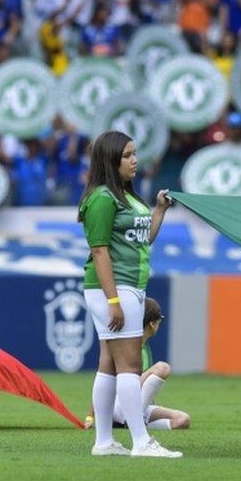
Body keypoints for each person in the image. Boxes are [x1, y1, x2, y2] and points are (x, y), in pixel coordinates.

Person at [79, 131, 181, 458]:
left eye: (135, 153)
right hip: (115, 287)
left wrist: (160, 212)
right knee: (130, 364)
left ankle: (104, 441)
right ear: (110, 160)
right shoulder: (102, 198)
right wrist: (112, 300)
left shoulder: (128, 196)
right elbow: (99, 251)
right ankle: (141, 441)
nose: (135, 160)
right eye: (127, 155)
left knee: (109, 364)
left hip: (128, 286)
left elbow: (141, 240)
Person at [85, 297, 192, 431]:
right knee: (163, 368)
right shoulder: (125, 347)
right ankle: (134, 421)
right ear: (152, 324)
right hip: (117, 405)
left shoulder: (144, 347)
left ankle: (131, 423)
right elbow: (106, 381)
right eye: (160, 321)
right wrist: (90, 417)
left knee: (182, 420)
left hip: (133, 406)